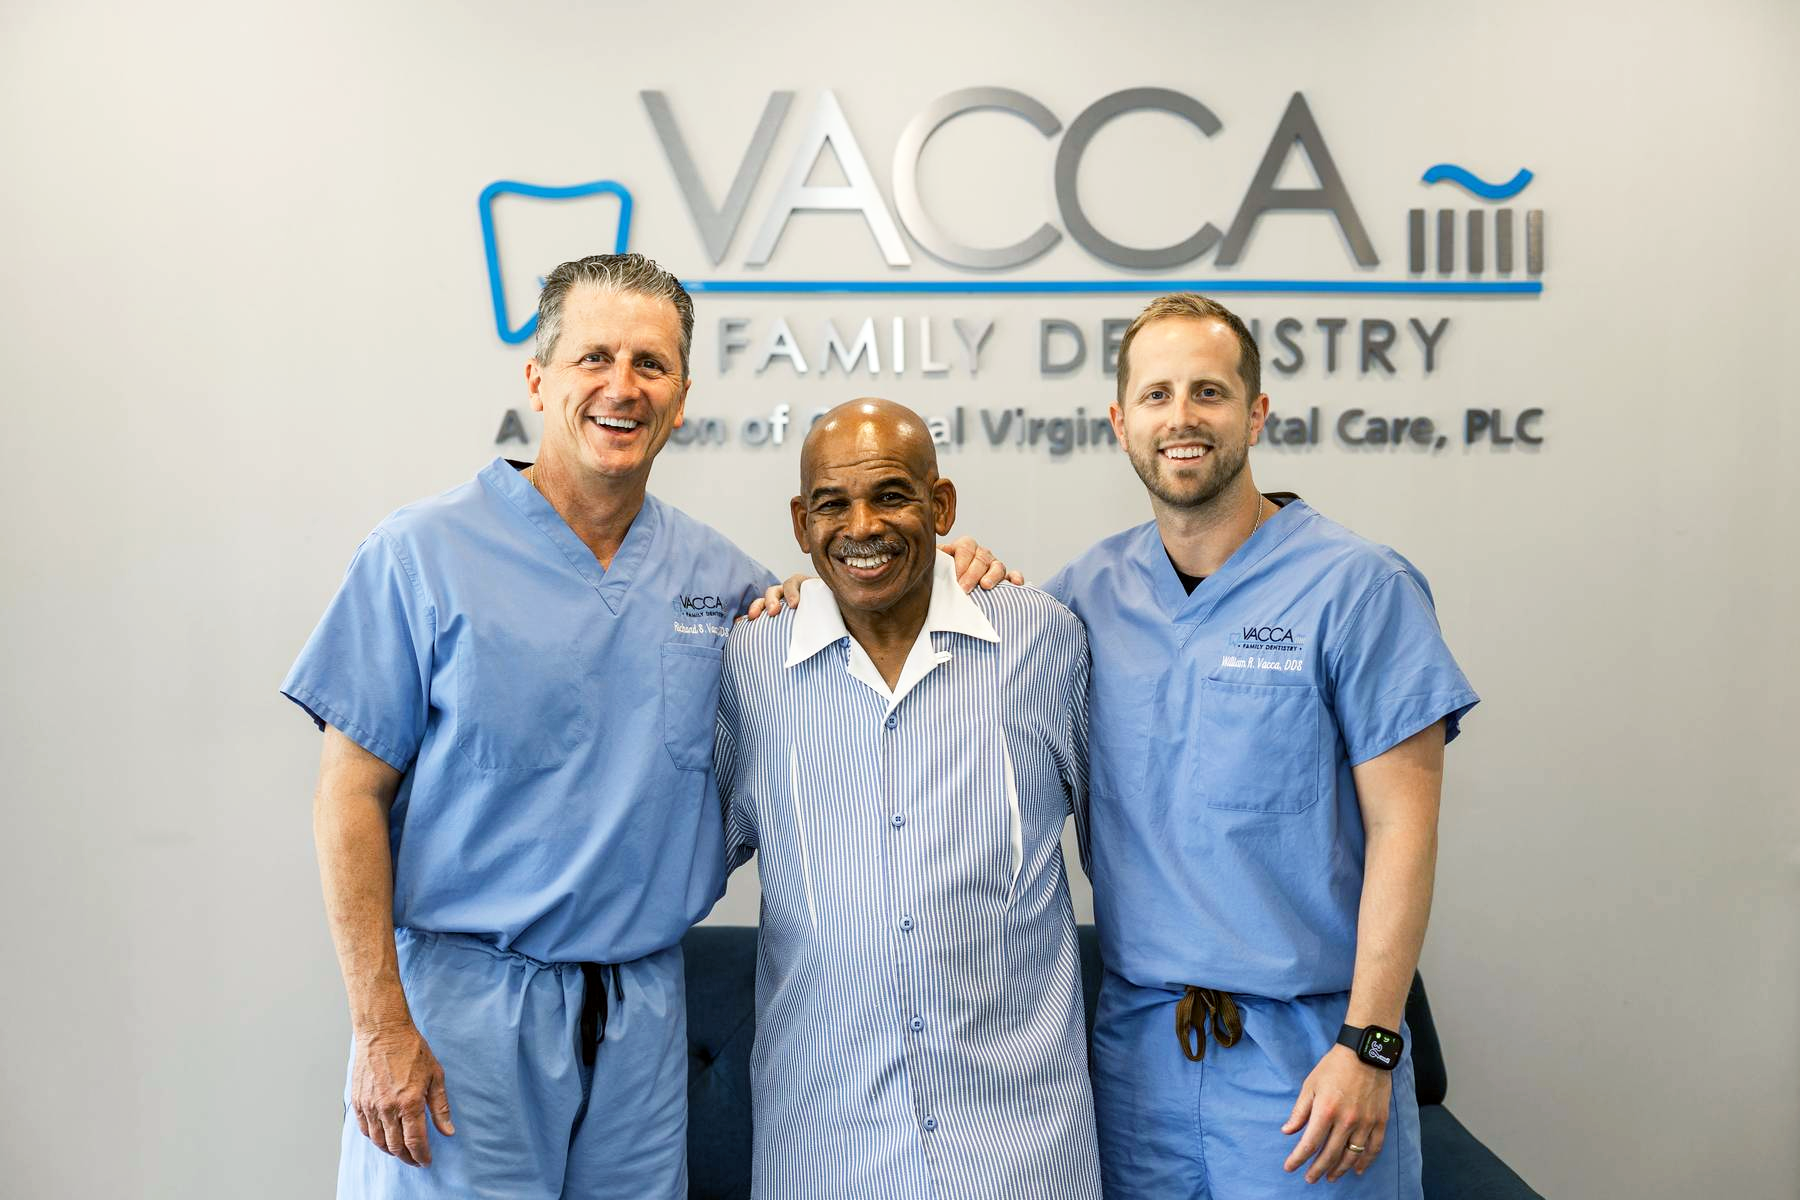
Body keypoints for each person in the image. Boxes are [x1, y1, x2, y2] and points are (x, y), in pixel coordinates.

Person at [280, 255, 1011, 1199]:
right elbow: (348, 796)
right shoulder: (421, 554)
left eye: (651, 364)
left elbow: (856, 600)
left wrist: (960, 568)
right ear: (538, 379)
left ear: (682, 397)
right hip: (466, 1012)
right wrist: (381, 1020)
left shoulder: (719, 578)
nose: (622, 387)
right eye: (594, 357)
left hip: (641, 1019)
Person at [1043, 294, 1480, 1199]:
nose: (1183, 417)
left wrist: (1370, 1044)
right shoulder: (1087, 593)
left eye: (1209, 391)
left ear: (1256, 413)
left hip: (1313, 1059)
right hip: (1139, 1059)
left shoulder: (1360, 588)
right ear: (1121, 423)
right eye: (1157, 395)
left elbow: (1406, 834)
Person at [713, 399, 1102, 1200]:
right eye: (832, 504)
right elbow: (676, 863)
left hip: (1024, 1151)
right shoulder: (750, 662)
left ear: (942, 505)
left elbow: (1132, 855)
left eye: (891, 495)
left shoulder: (1046, 641)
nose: (863, 525)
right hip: (823, 1147)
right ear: (801, 521)